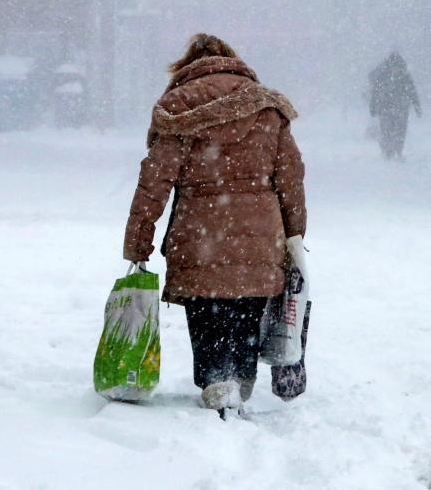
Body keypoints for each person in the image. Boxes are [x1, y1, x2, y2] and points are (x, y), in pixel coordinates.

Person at [123, 33, 306, 414]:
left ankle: (215, 378)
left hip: (198, 233)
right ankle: (240, 377)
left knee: (207, 312)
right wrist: (294, 235)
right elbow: (290, 178)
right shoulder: (267, 107)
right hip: (259, 237)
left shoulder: (178, 109)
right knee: (245, 310)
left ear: (187, 67)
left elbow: (153, 181)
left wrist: (138, 241)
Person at [368, 50, 421, 160]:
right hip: (389, 108)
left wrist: (417, 106)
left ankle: (397, 151)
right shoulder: (385, 76)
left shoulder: (403, 77)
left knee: (398, 131)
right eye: (394, 66)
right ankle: (388, 151)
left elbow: (412, 91)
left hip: (397, 108)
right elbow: (375, 92)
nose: (396, 69)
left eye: (397, 67)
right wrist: (373, 106)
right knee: (388, 130)